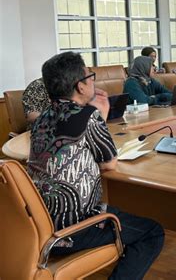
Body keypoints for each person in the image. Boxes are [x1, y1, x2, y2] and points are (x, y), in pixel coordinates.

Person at [27, 52, 164, 279]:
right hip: (74, 228)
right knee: (152, 233)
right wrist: (101, 114)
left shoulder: (42, 117)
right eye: (90, 76)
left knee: (124, 216)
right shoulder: (88, 115)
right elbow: (109, 164)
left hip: (40, 222)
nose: (93, 80)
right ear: (80, 86)